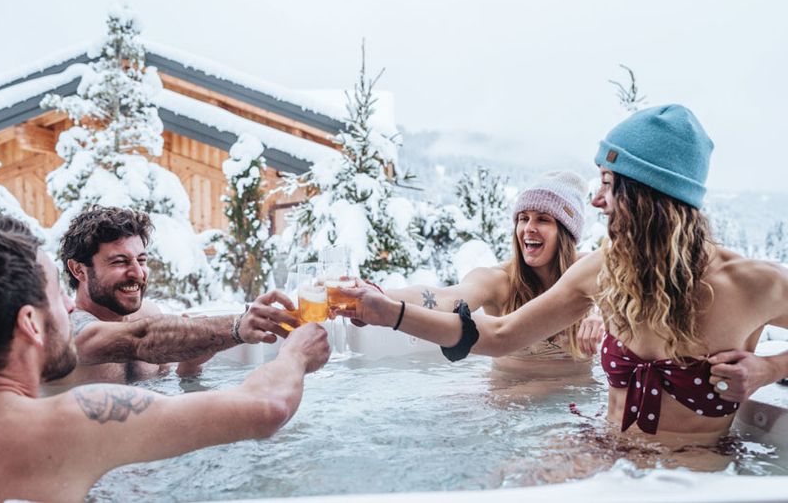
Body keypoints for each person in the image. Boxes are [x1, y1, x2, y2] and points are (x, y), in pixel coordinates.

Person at [338, 104, 788, 446]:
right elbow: (499, 333)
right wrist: (389, 312)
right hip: (605, 456)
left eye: (609, 184)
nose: (597, 201)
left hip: (693, 476)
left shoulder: (752, 284)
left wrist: (769, 368)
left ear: (650, 196)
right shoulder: (603, 271)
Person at [0, 227, 330, 502]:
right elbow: (266, 408)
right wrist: (296, 355)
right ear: (31, 322)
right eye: (57, 295)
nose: (69, 306)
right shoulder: (73, 420)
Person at [383, 171, 604, 377]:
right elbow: (444, 298)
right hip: (510, 405)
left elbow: (626, 300)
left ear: (566, 233)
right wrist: (382, 296)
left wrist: (602, 316)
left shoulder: (588, 271)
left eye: (543, 219)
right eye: (523, 218)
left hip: (576, 404)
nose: (528, 227)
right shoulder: (499, 281)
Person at [56, 206, 300, 383]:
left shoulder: (149, 312)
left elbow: (174, 387)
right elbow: (142, 338)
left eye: (141, 260)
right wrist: (236, 327)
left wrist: (190, 364)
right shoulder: (65, 330)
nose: (138, 273)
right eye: (120, 262)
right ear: (79, 270)